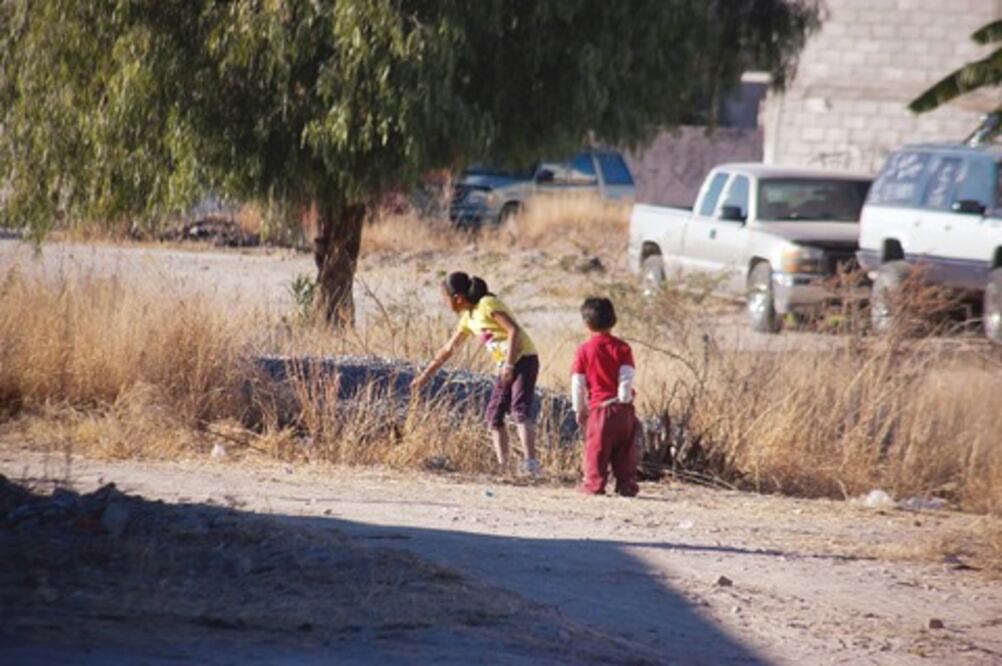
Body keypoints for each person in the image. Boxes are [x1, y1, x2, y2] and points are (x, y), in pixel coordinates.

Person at [411, 272, 541, 474]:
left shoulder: (487, 304)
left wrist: (509, 366)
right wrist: (425, 375)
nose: (445, 304)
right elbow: (448, 349)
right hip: (504, 366)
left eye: (445, 299)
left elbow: (513, 330)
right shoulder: (468, 318)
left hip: (523, 359)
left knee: (519, 410)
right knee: (493, 416)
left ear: (458, 298)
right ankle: (503, 466)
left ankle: (530, 464)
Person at [570, 297, 639, 496]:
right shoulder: (623, 348)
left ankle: (594, 484)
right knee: (625, 451)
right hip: (623, 410)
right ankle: (626, 484)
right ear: (614, 320)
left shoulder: (584, 350)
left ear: (586, 323)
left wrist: (579, 408)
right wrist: (624, 399)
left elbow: (578, 383)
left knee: (596, 450)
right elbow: (626, 376)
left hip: (600, 409)